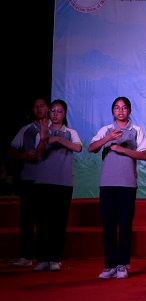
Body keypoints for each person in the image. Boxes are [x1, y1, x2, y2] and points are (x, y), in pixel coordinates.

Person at [88, 96, 146, 279]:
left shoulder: (136, 131)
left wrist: (122, 150)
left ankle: (122, 264)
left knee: (125, 225)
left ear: (129, 110)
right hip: (107, 184)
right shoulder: (106, 130)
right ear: (112, 111)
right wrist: (108, 138)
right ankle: (109, 265)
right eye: (117, 107)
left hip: (127, 184)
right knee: (108, 225)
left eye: (124, 108)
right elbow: (91, 148)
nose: (120, 111)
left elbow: (143, 155)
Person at [33, 99, 82, 272]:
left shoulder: (70, 132)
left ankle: (55, 258)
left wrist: (58, 139)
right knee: (42, 222)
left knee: (59, 222)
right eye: (53, 110)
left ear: (64, 114)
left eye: (59, 111)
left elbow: (78, 148)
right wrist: (44, 137)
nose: (55, 114)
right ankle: (42, 259)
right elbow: (38, 154)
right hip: (43, 182)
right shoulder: (42, 131)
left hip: (63, 183)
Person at [9, 97, 50, 267]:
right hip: (29, 179)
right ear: (32, 110)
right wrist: (22, 156)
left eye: (42, 106)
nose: (39, 109)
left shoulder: (55, 129)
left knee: (46, 220)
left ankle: (45, 257)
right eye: (35, 106)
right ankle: (25, 256)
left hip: (49, 181)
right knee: (27, 219)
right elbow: (11, 151)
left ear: (48, 108)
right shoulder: (25, 130)